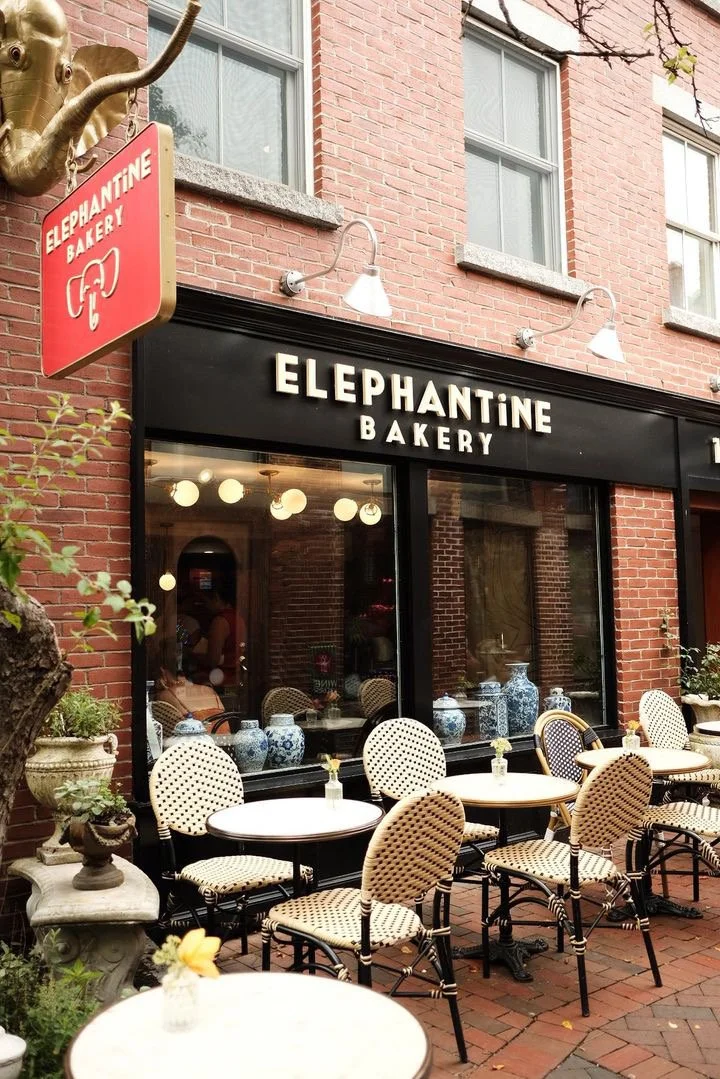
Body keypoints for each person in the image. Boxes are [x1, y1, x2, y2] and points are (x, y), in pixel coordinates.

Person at [196, 587, 246, 689]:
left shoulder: (220, 621)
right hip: (235, 676)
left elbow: (213, 659)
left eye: (206, 601)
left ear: (217, 598)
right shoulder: (239, 618)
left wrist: (194, 656)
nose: (206, 606)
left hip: (220, 678)